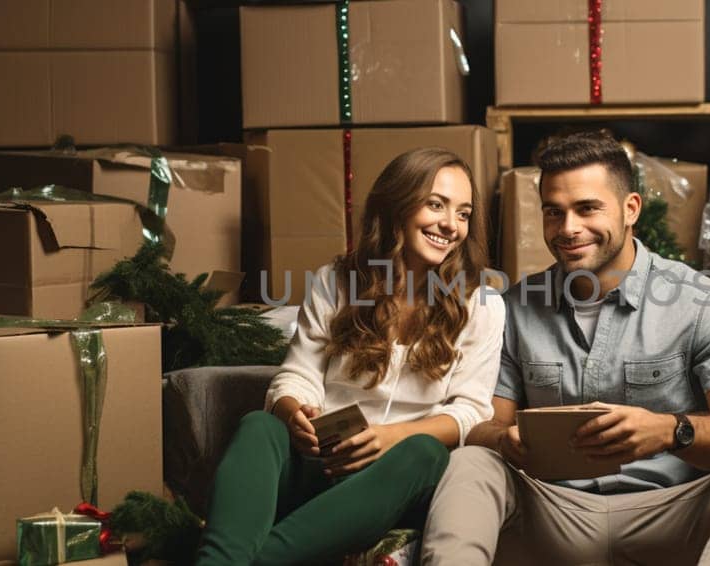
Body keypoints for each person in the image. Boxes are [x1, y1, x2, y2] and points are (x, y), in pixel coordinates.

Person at [421, 131, 710, 566]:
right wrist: (506, 442)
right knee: (471, 462)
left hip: (675, 512)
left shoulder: (703, 302)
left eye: (587, 208)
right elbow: (484, 424)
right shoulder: (514, 309)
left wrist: (670, 431)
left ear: (631, 209)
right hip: (554, 513)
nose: (568, 229)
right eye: (554, 212)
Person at [197, 147, 505, 565]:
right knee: (259, 425)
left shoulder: (481, 303)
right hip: (322, 461)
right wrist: (293, 412)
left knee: (426, 453)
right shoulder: (336, 282)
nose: (450, 225)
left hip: (397, 477)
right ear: (397, 204)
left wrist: (389, 438)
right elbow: (296, 376)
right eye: (436, 205)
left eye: (464, 213)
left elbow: (471, 411)